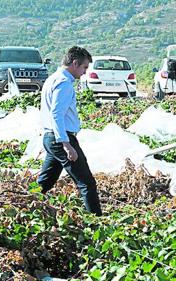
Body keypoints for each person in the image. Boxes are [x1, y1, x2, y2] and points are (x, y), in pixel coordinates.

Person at [37, 46, 101, 215]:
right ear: (74, 63)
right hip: (61, 139)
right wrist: (66, 144)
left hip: (51, 137)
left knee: (45, 182)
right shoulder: (64, 83)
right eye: (84, 67)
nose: (84, 73)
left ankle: (26, 204)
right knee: (86, 183)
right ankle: (97, 223)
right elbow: (56, 114)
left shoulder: (53, 79)